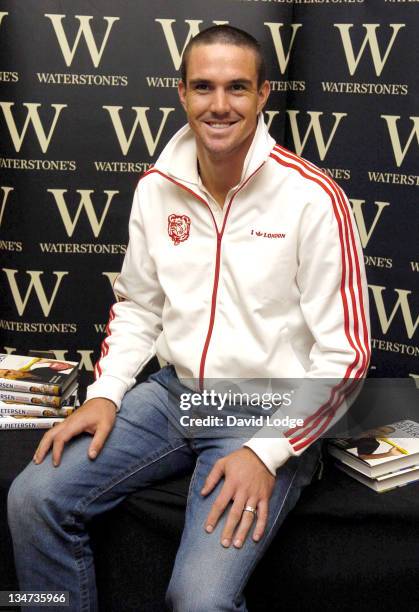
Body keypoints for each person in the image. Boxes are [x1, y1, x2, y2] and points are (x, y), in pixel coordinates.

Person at [8, 25, 370, 611]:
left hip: (264, 410)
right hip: (173, 397)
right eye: (203, 86)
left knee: (199, 600)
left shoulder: (312, 198)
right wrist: (104, 393)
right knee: (34, 498)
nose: (219, 105)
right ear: (181, 93)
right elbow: (139, 306)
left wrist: (266, 452)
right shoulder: (157, 188)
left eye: (237, 88)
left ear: (262, 95)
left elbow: (346, 356)